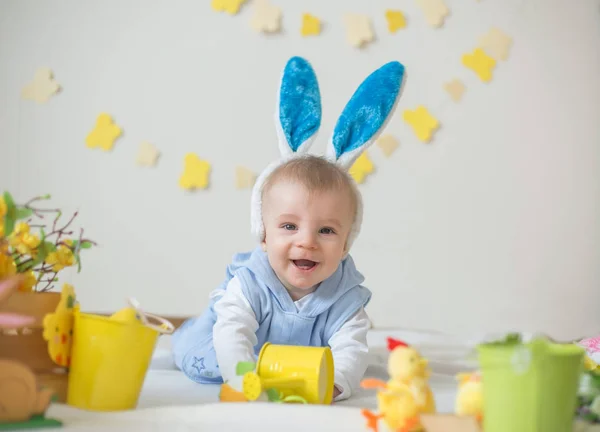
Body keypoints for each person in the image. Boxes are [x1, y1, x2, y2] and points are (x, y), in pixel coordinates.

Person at [172, 56, 405, 401]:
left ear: (345, 244)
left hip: (293, 363)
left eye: (326, 231)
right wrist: (242, 378)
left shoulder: (344, 297)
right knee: (198, 352)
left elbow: (352, 349)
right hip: (225, 348)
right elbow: (233, 332)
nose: (306, 242)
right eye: (289, 226)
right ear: (263, 234)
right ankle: (186, 331)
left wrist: (335, 382)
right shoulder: (251, 282)